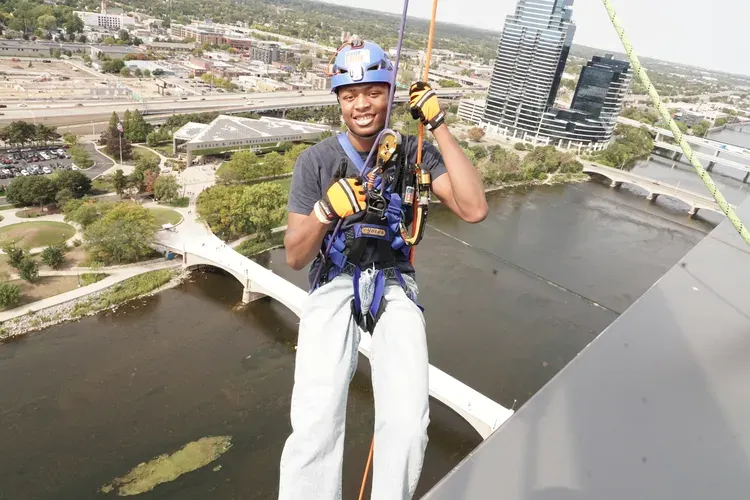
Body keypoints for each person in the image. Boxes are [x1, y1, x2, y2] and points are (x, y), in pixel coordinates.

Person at [279, 39, 488, 500]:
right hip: (334, 279)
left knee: (409, 422)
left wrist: (439, 124)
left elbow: (473, 209)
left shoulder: (415, 152)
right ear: (338, 102)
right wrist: (323, 212)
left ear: (390, 94)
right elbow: (294, 256)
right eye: (350, 95)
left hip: (392, 280)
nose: (362, 105)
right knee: (316, 420)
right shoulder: (316, 162)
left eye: (373, 92)